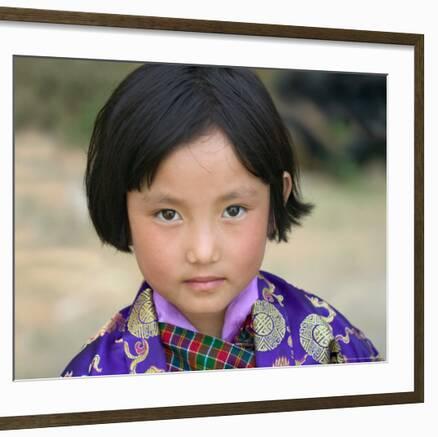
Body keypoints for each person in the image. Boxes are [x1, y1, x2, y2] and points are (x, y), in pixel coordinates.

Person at [60, 63, 381, 377]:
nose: (202, 252)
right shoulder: (94, 377)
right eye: (168, 214)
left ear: (275, 200)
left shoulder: (333, 346)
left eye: (233, 211)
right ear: (121, 209)